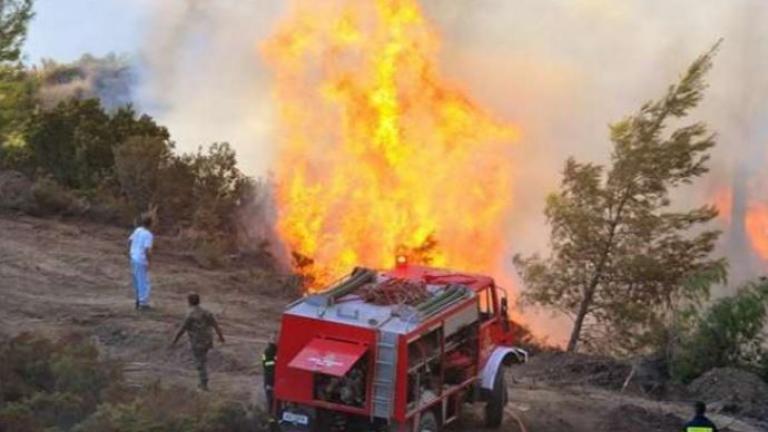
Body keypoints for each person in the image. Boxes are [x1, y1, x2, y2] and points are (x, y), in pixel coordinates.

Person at [171, 293, 225, 391]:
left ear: (189, 301)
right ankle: (203, 382)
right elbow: (215, 325)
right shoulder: (206, 312)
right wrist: (221, 337)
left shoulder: (190, 315)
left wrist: (174, 341)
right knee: (202, 360)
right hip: (207, 339)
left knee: (200, 362)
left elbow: (182, 329)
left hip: (197, 341)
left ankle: (203, 384)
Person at [128, 215, 154, 310]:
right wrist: (149, 261)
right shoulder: (148, 235)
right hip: (141, 259)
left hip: (134, 257)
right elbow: (147, 250)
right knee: (144, 281)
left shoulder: (137, 230)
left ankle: (138, 299)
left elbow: (130, 241)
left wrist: (131, 251)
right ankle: (143, 303)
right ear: (150, 224)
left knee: (137, 280)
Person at [262, 332, 278, 410]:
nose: (276, 340)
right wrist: (276, 361)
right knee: (271, 400)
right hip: (270, 379)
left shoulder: (277, 349)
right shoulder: (268, 351)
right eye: (274, 339)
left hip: (276, 379)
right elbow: (266, 364)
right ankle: (270, 417)